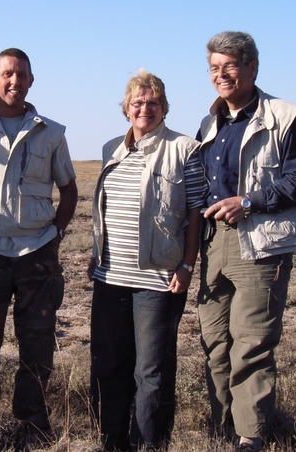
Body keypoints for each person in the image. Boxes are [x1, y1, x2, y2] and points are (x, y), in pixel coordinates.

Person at [197, 31, 296, 452]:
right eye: (215, 67)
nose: (222, 75)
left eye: (230, 65)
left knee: (251, 343)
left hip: (260, 245)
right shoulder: (209, 121)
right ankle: (222, 426)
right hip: (214, 245)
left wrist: (248, 202)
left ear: (252, 66)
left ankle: (250, 435)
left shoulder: (285, 116)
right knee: (215, 343)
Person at [0, 48, 78, 451]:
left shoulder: (52, 131)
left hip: (36, 254)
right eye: (7, 74)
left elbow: (70, 189)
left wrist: (56, 234)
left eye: (21, 75)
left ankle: (32, 427)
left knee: (38, 346)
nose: (14, 81)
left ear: (31, 81)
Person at [87, 69, 206, 451]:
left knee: (150, 370)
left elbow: (195, 212)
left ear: (164, 107)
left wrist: (187, 265)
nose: (145, 109)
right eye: (137, 102)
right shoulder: (112, 149)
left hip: (159, 280)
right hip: (110, 276)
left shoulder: (184, 148)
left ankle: (149, 442)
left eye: (153, 102)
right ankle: (112, 439)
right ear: (126, 108)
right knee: (110, 363)